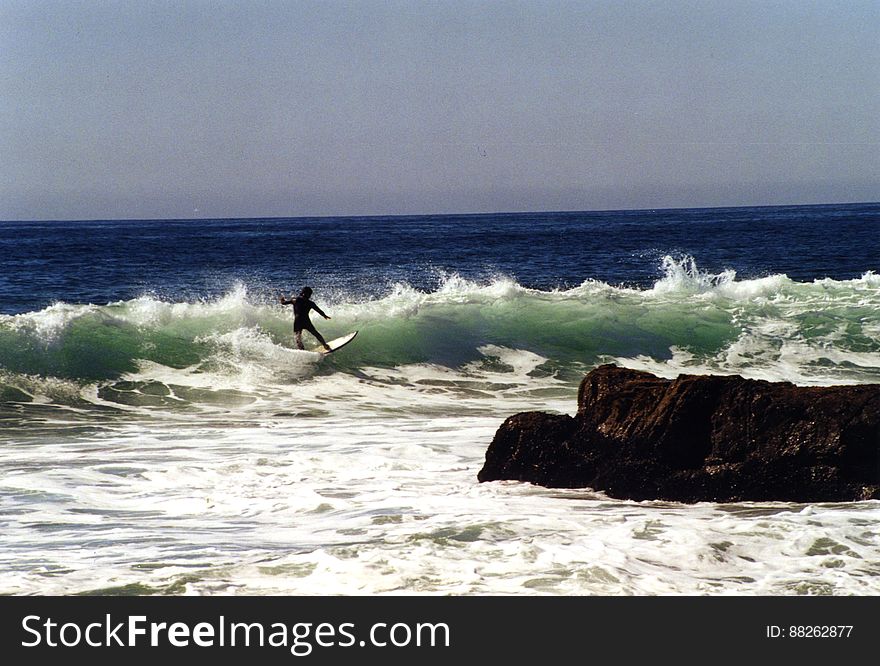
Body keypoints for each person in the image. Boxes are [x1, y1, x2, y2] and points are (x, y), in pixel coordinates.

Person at [279, 286, 332, 351]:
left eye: (310, 294)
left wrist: (282, 300)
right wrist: (324, 316)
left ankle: (303, 351)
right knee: (312, 334)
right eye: (309, 294)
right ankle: (325, 345)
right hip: (305, 321)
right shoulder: (310, 303)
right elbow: (319, 310)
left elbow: (284, 303)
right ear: (304, 293)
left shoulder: (295, 300)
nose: (309, 296)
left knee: (299, 337)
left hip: (298, 321)